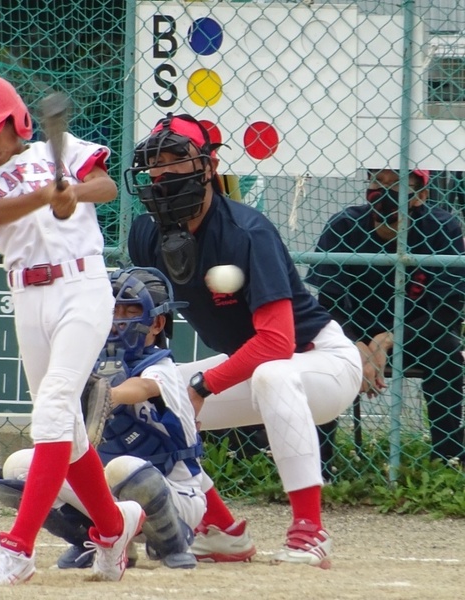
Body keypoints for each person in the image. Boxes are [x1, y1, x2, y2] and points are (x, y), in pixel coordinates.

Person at [125, 113, 363, 569]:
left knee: (273, 375)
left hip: (320, 363)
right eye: (155, 170)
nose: (163, 178)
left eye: (176, 165)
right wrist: (160, 383)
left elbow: (276, 344)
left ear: (209, 168)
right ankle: (220, 530)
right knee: (144, 395)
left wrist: (197, 388)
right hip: (246, 367)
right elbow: (157, 337)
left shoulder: (246, 231)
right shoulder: (146, 234)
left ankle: (309, 533)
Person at [0, 74, 144, 586]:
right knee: (66, 430)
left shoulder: (66, 148)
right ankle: (114, 527)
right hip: (27, 297)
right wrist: (42, 197)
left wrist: (71, 192)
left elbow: (107, 185)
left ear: (17, 120)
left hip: (82, 286)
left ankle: (18, 549)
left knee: (54, 408)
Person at [0, 266, 257, 571]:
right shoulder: (89, 362)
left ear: (156, 323)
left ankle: (172, 542)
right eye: (112, 311)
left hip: (175, 496)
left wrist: (109, 396)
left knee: (122, 468)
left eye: (129, 311)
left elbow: (143, 386)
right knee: (19, 468)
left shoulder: (162, 368)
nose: (117, 321)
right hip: (112, 496)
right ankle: (98, 540)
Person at [306, 168, 465, 464]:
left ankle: (447, 459)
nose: (385, 191)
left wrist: (388, 340)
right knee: (317, 354)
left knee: (447, 352)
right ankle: (319, 465)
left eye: (400, 184)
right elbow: (328, 304)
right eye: (378, 181)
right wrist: (356, 345)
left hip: (420, 335)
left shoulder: (441, 227)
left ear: (421, 195)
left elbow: (447, 312)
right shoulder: (345, 225)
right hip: (355, 333)